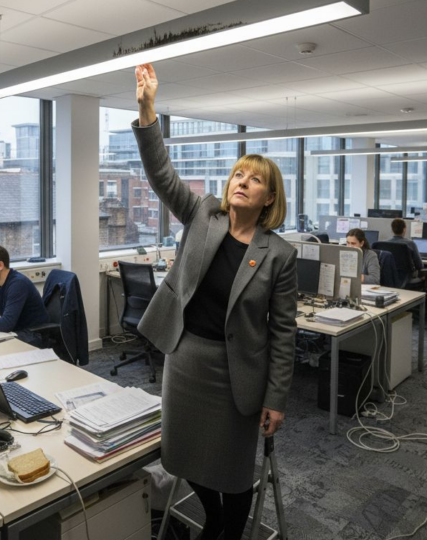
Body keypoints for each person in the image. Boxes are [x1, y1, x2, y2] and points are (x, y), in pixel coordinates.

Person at [131, 63, 297, 540]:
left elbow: (284, 332)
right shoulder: (203, 215)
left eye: (254, 179)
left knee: (232, 473)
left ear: (269, 198)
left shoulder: (278, 255)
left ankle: (224, 529)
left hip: (236, 375)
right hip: (185, 361)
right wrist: (148, 113)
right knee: (182, 456)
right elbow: (162, 175)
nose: (241, 181)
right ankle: (215, 523)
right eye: (237, 174)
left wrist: (277, 399)